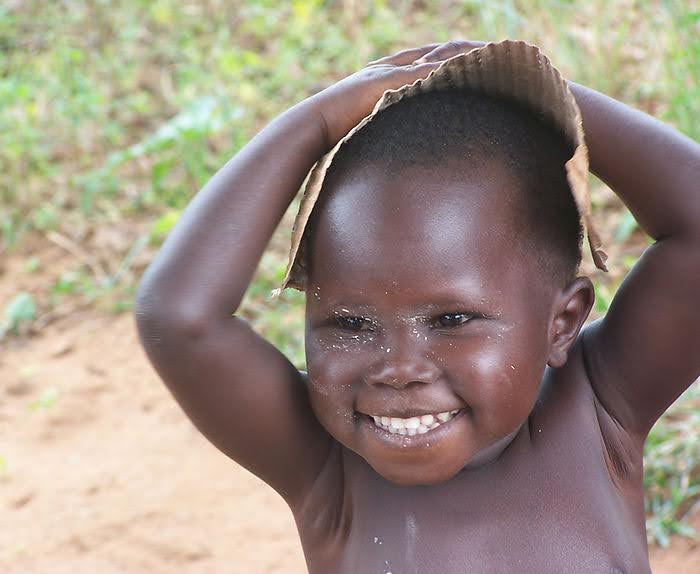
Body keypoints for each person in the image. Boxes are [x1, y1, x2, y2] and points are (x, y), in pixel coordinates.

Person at [134, 39, 700, 573]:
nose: (399, 369)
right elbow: (179, 321)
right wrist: (318, 121)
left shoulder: (599, 406)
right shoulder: (326, 469)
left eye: (451, 320)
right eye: (351, 324)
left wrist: (544, 98)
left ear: (562, 322)